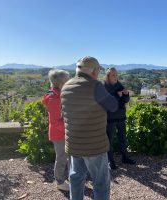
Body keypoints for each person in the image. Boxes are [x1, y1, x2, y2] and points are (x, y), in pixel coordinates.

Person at [61, 56, 118, 200]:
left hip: (74, 143)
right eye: (98, 70)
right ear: (94, 71)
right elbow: (113, 106)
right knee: (100, 182)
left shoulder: (66, 86)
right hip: (94, 145)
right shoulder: (96, 86)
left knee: (76, 179)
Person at [42, 69, 70, 191]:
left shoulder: (58, 95)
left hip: (62, 132)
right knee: (61, 157)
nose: (69, 82)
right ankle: (59, 182)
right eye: (66, 80)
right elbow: (56, 121)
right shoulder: (54, 98)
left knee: (65, 157)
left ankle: (66, 178)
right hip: (59, 133)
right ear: (60, 83)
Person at [104, 67, 136, 170]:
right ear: (108, 76)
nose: (116, 77)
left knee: (123, 139)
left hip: (121, 117)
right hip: (110, 119)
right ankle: (110, 162)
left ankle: (125, 158)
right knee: (109, 141)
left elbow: (125, 101)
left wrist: (126, 95)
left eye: (116, 74)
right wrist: (117, 95)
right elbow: (107, 101)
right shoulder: (103, 86)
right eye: (113, 75)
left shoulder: (119, 85)